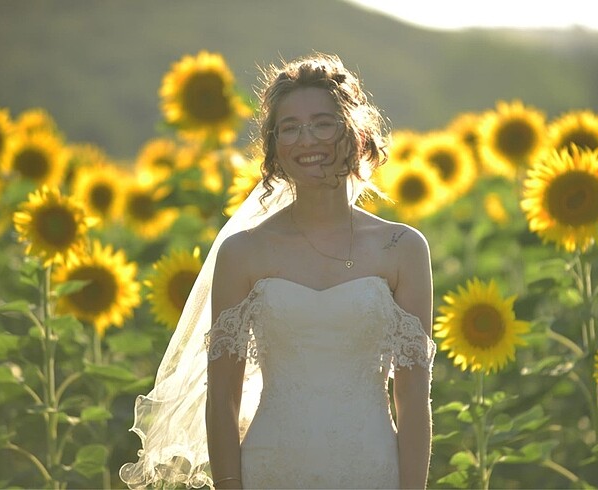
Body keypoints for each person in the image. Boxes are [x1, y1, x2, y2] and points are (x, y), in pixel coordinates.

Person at [120, 52, 435, 490]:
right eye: (289, 127)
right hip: (269, 472)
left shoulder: (402, 249)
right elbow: (223, 399)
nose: (307, 140)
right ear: (274, 145)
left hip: (372, 471)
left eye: (323, 123)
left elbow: (414, 402)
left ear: (356, 132)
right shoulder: (242, 252)